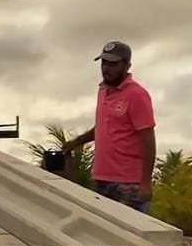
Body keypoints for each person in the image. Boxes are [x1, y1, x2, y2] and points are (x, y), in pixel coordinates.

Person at [63, 41, 156, 211]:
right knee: (101, 234)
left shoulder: (137, 95)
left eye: (113, 64)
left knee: (129, 235)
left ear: (127, 65)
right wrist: (75, 143)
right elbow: (103, 128)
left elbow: (148, 139)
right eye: (104, 63)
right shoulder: (103, 91)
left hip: (129, 184)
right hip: (101, 179)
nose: (107, 68)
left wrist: (145, 182)